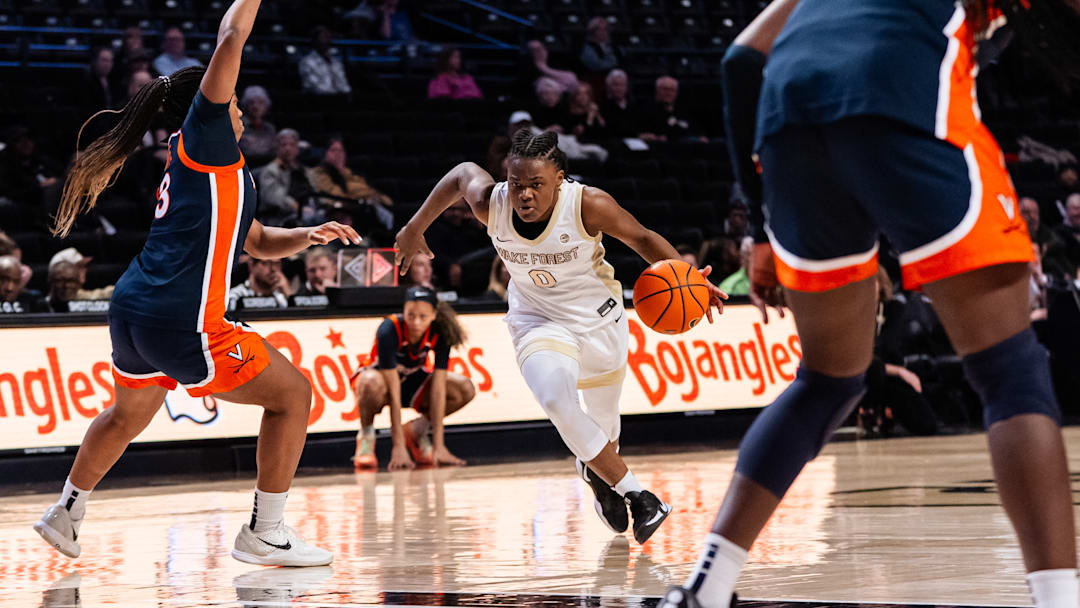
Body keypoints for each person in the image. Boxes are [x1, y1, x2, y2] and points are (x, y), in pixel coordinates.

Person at [662, 1, 1080, 607]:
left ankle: (706, 587)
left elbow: (739, 61)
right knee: (1010, 370)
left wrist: (758, 226)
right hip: (901, 96)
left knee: (828, 381)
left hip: (789, 126)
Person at [36, 0, 361, 568]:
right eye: (232, 98)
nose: (237, 107)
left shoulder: (220, 166)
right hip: (181, 317)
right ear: (210, 103)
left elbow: (254, 240)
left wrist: (308, 234)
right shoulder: (205, 134)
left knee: (128, 415)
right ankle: (267, 530)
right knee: (293, 396)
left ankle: (66, 511)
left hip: (135, 307)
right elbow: (233, 32)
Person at [395, 130, 727, 545]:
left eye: (536, 185)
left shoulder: (587, 204)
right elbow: (462, 174)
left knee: (605, 433)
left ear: (560, 179)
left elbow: (642, 238)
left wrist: (691, 280)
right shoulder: (491, 204)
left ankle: (599, 475)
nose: (525, 195)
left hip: (599, 321)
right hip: (538, 321)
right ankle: (640, 496)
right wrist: (413, 227)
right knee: (557, 400)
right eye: (517, 185)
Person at [350, 286, 476, 470]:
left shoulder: (441, 331)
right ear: (404, 312)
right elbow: (394, 392)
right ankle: (366, 436)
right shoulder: (389, 329)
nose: (416, 322)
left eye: (422, 317)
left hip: (412, 379)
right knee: (370, 382)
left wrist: (440, 446)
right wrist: (398, 447)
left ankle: (417, 431)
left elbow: (439, 388)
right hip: (381, 381)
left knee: (464, 388)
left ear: (433, 315)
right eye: (411, 315)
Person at [307, 136, 394, 231]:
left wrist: (342, 172)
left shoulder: (349, 173)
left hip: (356, 207)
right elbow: (337, 195)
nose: (338, 154)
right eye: (333, 150)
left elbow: (368, 191)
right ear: (325, 153)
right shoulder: (318, 172)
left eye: (341, 151)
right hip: (330, 209)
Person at [257, 128, 313, 227]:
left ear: (297, 149)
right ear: (277, 148)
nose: (288, 148)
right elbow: (274, 198)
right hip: (279, 219)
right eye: (283, 145)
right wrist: (298, 208)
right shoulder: (270, 170)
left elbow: (312, 192)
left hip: (304, 213)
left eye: (292, 145)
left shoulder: (303, 170)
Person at [638, 76, 700, 142]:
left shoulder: (684, 111)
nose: (669, 93)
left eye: (672, 90)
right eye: (665, 89)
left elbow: (695, 131)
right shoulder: (644, 110)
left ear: (676, 93)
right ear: (657, 90)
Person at [299, 26, 352, 95]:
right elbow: (314, 86)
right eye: (323, 37)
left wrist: (347, 92)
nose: (327, 40)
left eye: (328, 37)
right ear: (315, 41)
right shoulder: (307, 61)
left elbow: (343, 83)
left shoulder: (336, 62)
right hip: (318, 99)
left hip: (339, 98)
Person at [238, 85, 277, 168]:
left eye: (260, 102)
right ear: (245, 106)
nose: (256, 106)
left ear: (266, 106)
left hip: (266, 168)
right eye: (251, 102)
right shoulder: (238, 125)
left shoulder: (270, 128)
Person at [600, 69, 637, 138]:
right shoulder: (602, 107)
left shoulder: (634, 105)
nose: (619, 88)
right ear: (608, 87)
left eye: (622, 85)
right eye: (616, 85)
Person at [79, 47, 115, 113]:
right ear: (94, 61)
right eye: (104, 60)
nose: (107, 64)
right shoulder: (85, 82)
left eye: (110, 61)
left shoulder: (114, 81)